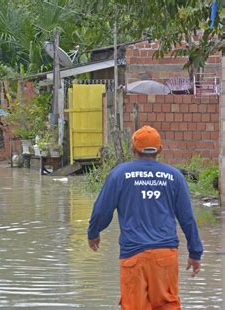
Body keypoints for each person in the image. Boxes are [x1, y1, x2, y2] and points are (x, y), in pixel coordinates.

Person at [87, 125, 203, 310]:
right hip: (165, 255)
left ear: (133, 149)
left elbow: (102, 210)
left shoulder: (120, 174)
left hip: (133, 256)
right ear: (160, 150)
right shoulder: (174, 177)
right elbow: (187, 218)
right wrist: (195, 252)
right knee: (167, 305)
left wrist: (94, 232)